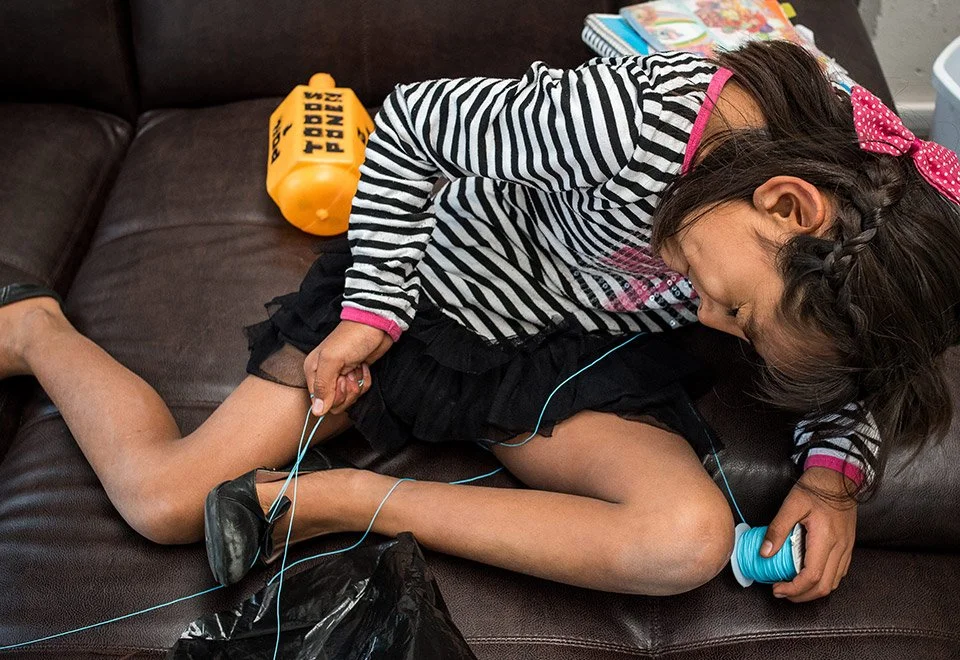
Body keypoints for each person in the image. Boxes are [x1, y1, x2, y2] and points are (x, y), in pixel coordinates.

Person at [2, 40, 959, 604]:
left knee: (685, 540)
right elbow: (414, 123)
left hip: (562, 356)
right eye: (740, 309)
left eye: (738, 330)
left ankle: (335, 505)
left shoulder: (860, 232)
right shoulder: (638, 120)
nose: (713, 321)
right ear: (787, 205)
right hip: (421, 296)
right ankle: (38, 328)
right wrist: (374, 309)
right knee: (166, 501)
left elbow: (856, 359)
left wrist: (835, 478)